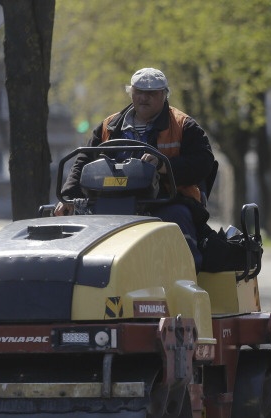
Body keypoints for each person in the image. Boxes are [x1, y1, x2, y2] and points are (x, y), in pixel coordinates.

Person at [55, 67, 215, 268]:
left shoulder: (184, 125)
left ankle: (187, 276)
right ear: (131, 93)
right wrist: (69, 196)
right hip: (111, 201)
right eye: (139, 92)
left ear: (164, 95)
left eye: (151, 94)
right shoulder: (109, 126)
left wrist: (164, 166)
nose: (143, 98)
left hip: (166, 200)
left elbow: (203, 163)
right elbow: (84, 161)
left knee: (178, 218)